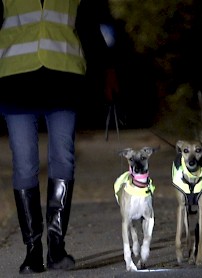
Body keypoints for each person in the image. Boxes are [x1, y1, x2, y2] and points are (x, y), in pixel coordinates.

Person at [0, 0, 119, 274]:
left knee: (63, 159)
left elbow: (89, 27)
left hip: (64, 80)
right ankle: (32, 252)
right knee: (25, 163)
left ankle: (56, 247)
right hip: (15, 83)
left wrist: (108, 70)